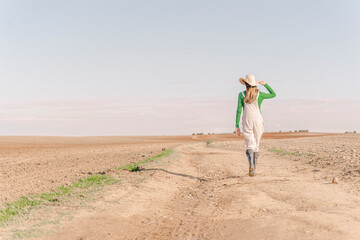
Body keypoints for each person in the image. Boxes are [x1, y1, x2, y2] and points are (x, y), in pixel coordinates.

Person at [235, 74, 276, 176]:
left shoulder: (241, 94)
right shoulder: (259, 94)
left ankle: (251, 165)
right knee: (256, 145)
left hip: (246, 121)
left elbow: (239, 110)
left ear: (245, 84)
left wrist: (236, 125)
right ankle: (254, 168)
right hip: (258, 120)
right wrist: (265, 84)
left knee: (250, 144)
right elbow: (273, 94)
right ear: (254, 85)